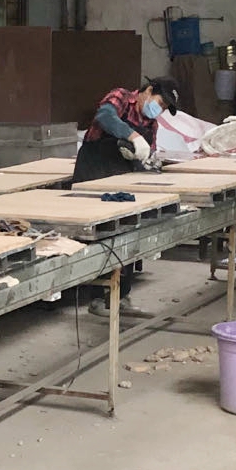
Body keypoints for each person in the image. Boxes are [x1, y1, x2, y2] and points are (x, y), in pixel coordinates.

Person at [73, 76, 180, 319]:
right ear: (148, 91)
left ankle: (121, 296)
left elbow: (148, 155)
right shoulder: (121, 97)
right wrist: (132, 136)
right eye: (160, 103)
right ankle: (97, 298)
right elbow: (104, 117)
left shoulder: (151, 125)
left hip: (121, 180)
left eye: (164, 108)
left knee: (129, 232)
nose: (160, 110)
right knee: (100, 236)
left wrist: (143, 162)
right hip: (93, 173)